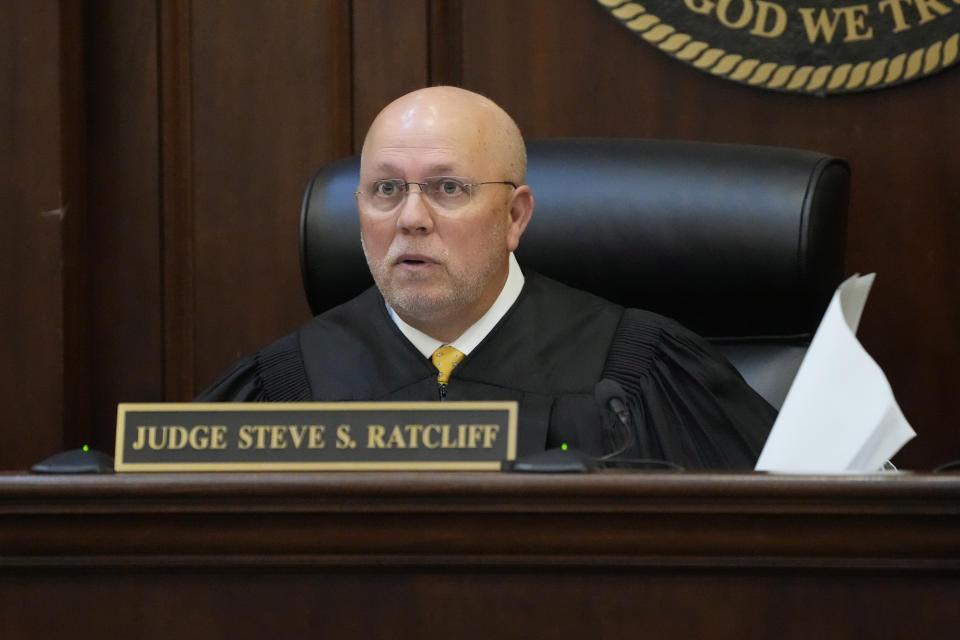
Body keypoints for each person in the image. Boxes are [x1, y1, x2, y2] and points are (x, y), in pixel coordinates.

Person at [197, 86, 775, 469]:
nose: (412, 218)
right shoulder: (283, 388)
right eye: (386, 190)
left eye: (449, 189)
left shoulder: (636, 370)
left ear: (514, 216)